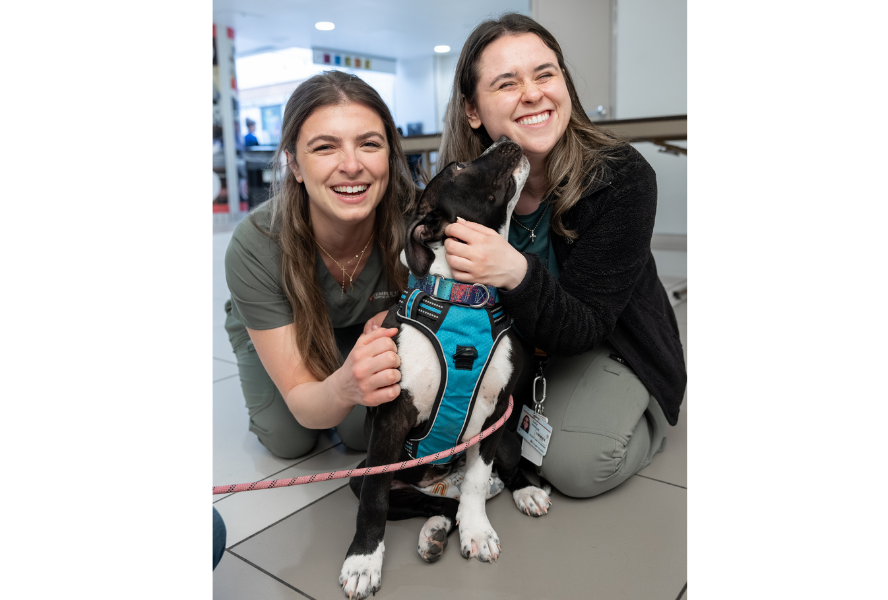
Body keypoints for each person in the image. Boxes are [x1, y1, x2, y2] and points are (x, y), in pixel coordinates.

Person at [437, 13, 687, 498]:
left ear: (564, 83)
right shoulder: (459, 188)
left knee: (575, 467)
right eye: (507, 83)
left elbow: (585, 324)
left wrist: (513, 270)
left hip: (605, 339)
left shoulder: (622, 177)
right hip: (520, 349)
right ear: (472, 109)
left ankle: (646, 417)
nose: (533, 94)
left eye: (545, 74)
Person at [223, 71, 416, 458]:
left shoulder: (418, 220)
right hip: (284, 324)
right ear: (294, 165)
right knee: (290, 439)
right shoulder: (256, 243)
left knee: (360, 434)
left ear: (390, 155)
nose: (351, 165)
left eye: (369, 144)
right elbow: (303, 402)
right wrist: (343, 387)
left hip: (365, 327)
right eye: (325, 147)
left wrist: (403, 313)